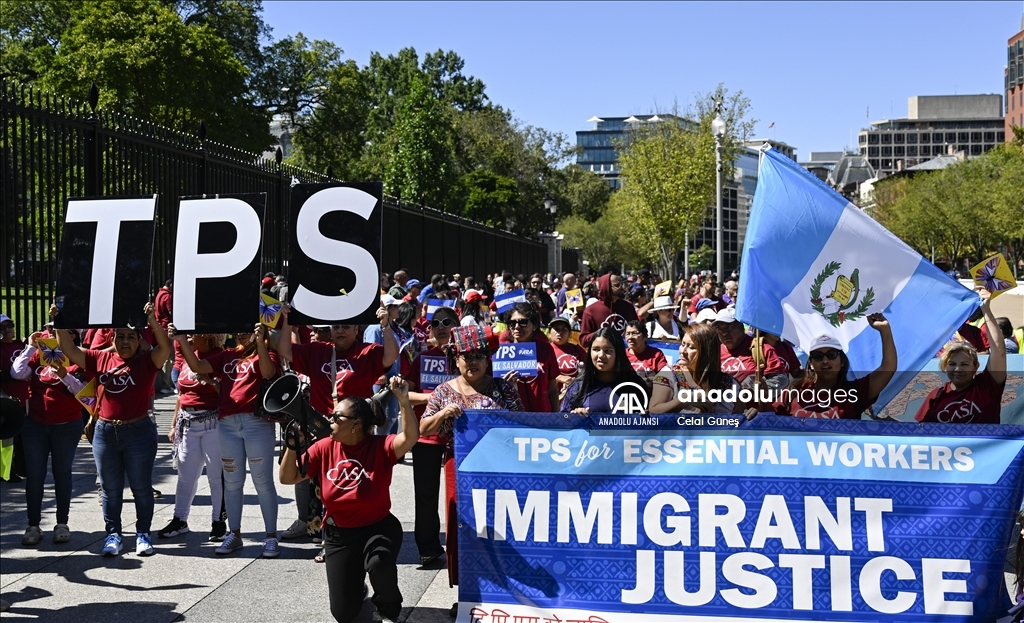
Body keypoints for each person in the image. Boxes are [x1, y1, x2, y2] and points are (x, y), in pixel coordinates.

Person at [280, 376, 419, 623]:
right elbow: (288, 478)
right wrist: (293, 445)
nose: (330, 420)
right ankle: (357, 593)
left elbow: (409, 438)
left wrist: (404, 401)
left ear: (355, 424)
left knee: (379, 563)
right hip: (339, 535)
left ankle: (388, 610)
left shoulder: (380, 446)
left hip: (378, 527)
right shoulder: (323, 447)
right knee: (343, 613)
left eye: (337, 417)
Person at [54, 302, 172, 557]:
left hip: (139, 432)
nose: (125, 341)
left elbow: (166, 347)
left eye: (131, 337)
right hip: (105, 433)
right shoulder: (100, 357)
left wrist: (152, 319)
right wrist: (59, 323)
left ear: (139, 341)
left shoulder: (147, 362)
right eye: (120, 336)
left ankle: (143, 534)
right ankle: (113, 534)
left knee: (141, 487)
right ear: (113, 338)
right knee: (109, 488)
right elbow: (68, 349)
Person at [419, 326, 523, 590]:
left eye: (479, 355)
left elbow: (521, 425)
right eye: (467, 355)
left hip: (498, 469)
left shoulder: (502, 388)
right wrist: (443, 415)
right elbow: (424, 428)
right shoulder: (443, 391)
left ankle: (504, 590)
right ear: (456, 359)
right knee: (461, 526)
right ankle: (467, 592)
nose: (473, 361)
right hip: (459, 467)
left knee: (499, 526)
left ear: (488, 359)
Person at [174, 323, 280, 557]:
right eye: (239, 329)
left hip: (256, 423)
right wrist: (181, 341)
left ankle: (271, 537)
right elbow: (197, 366)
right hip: (227, 424)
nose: (242, 333)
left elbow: (269, 372)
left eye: (248, 329)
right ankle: (234, 533)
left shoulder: (268, 353)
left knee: (262, 481)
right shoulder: (227, 355)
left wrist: (262, 342)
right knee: (232, 482)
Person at [11, 328, 88, 546]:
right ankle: (33, 525)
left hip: (66, 425)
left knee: (62, 473)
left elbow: (83, 391)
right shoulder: (38, 356)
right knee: (34, 475)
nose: (49, 332)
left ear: (71, 335)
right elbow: (17, 373)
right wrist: (29, 347)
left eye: (56, 330)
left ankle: (62, 523)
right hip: (35, 424)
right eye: (48, 328)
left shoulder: (78, 357)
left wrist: (64, 375)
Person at [404, 305, 459, 565]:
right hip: (426, 435)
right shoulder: (422, 359)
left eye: (446, 322)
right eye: (435, 323)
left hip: (460, 437)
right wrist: (436, 397)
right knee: (425, 495)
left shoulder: (468, 358)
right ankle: (428, 547)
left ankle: (462, 546)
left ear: (457, 327)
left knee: (460, 495)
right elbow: (407, 396)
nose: (440, 327)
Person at [158, 333, 225, 540]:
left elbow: (227, 391)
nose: (189, 336)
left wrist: (209, 380)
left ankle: (218, 521)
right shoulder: (189, 356)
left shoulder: (219, 356)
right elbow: (181, 395)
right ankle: (180, 519)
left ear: (209, 336)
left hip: (212, 423)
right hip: (188, 423)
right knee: (186, 475)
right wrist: (172, 425)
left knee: (216, 476)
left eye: (194, 333)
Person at [774, 314, 896, 419]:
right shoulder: (792, 393)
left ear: (842, 361)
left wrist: (885, 330)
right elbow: (769, 418)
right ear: (811, 364)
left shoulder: (855, 392)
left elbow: (888, 368)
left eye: (831, 355)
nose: (825, 360)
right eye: (818, 356)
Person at [916, 289, 1006, 424]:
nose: (958, 369)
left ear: (976, 366)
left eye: (964, 364)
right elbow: (918, 435)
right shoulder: (936, 396)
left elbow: (999, 351)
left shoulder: (987, 386)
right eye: (952, 364)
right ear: (945, 367)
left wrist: (986, 308)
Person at [650, 323, 739, 414]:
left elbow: (742, 417)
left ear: (707, 352)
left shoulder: (728, 383)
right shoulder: (669, 375)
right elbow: (654, 411)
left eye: (691, 347)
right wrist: (685, 399)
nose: (683, 351)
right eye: (683, 344)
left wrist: (751, 415)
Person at [562, 327, 647, 415]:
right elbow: (562, 422)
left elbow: (651, 423)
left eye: (608, 351)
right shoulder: (578, 387)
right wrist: (574, 417)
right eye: (596, 349)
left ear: (618, 354)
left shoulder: (635, 386)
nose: (601, 355)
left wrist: (644, 419)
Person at [712, 307, 790, 391]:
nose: (724, 333)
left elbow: (781, 379)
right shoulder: (715, 352)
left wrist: (755, 392)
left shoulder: (760, 347)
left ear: (741, 326)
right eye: (719, 329)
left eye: (729, 327)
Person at [503, 303, 559, 412]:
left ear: (534, 326)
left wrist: (556, 416)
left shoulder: (546, 349)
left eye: (523, 322)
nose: (517, 327)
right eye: (512, 323)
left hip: (543, 418)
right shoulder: (501, 353)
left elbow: (552, 389)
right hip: (513, 420)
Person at [579, 273, 638, 347]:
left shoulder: (628, 306)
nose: (622, 288)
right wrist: (601, 334)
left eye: (621, 284)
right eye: (617, 285)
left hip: (626, 356)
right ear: (606, 287)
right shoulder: (590, 311)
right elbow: (584, 340)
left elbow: (638, 330)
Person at [547, 317, 586, 399]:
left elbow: (590, 369)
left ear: (569, 334)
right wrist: (558, 378)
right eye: (556, 329)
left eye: (564, 329)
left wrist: (576, 381)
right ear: (549, 332)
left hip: (575, 397)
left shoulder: (577, 349)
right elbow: (539, 375)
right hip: (552, 398)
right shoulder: (544, 350)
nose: (560, 332)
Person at [624, 321, 668, 392]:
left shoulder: (656, 354)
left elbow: (665, 378)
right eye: (627, 334)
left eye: (635, 333)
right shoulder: (621, 355)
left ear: (645, 337)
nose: (630, 337)